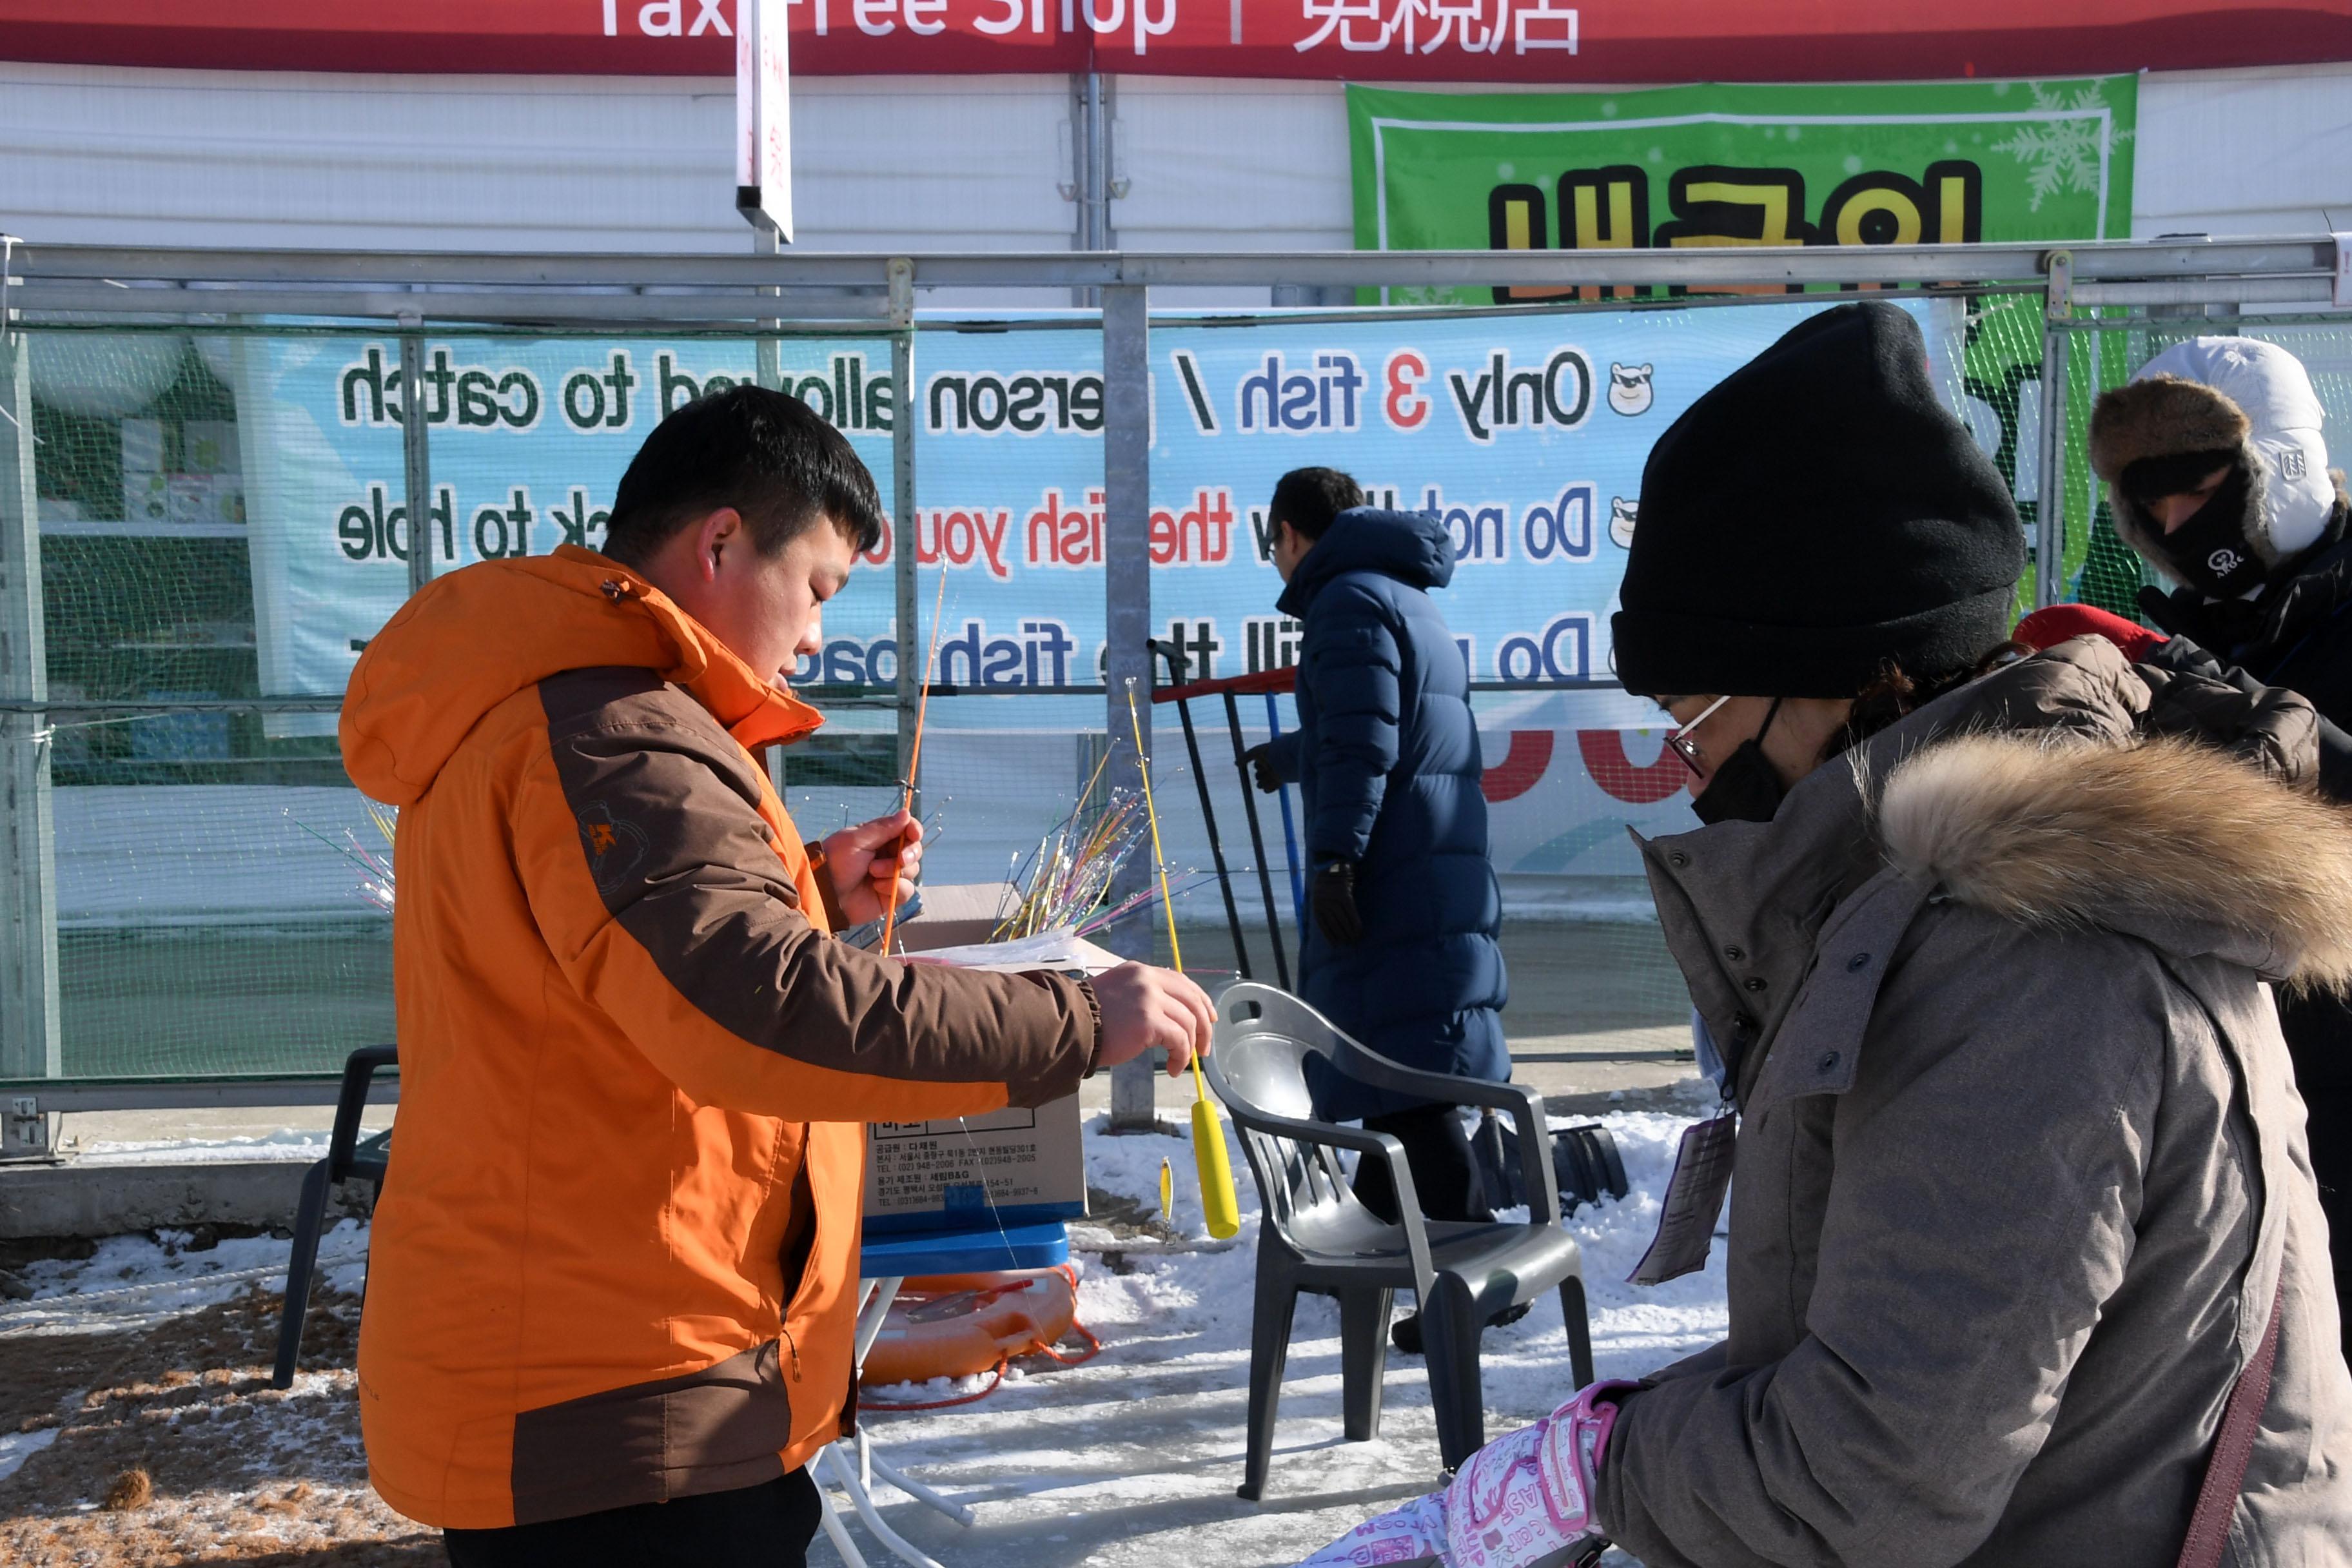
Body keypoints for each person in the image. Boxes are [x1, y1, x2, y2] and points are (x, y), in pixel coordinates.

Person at [1301, 302, 2352, 1566]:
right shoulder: (1936, 917)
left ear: (1835, 669)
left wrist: (1603, 1466)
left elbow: (1870, 1479)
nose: (1689, 767)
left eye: (1696, 712)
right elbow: (1899, 1344)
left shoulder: (2023, 964)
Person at [337, 386, 1213, 1565]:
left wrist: (807, 882)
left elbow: (612, 963)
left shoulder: (568, 708)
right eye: (816, 590)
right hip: (624, 1392)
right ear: (718, 543)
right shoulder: (618, 733)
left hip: (605, 1358)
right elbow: (762, 1006)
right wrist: (1073, 1017)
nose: (813, 639)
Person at [2084, 337, 2352, 1364]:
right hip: (2228, 1084)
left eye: (2194, 492)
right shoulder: (2185, 640)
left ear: (2271, 466)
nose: (2173, 526)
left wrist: (2290, 736)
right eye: (2147, 509)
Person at [1244, 466, 1509, 1351]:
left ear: (1289, 533)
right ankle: (1387, 1234)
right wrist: (1292, 757)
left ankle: (1476, 1281)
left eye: (1272, 542)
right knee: (1404, 1064)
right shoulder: (1399, 593)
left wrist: (1335, 859)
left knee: (1404, 1075)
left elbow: (1365, 740)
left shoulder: (1344, 602)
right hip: (1428, 862)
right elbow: (1374, 720)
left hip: (1394, 870)